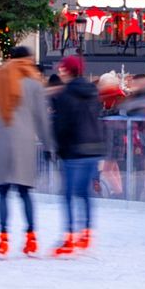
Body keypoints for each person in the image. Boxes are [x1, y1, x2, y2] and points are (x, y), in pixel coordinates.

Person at [0, 49, 51, 258]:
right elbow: (42, 119)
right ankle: (31, 239)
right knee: (25, 191)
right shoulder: (33, 82)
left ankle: (3, 240)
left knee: (2, 192)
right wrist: (49, 145)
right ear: (27, 59)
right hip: (25, 144)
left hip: (2, 143)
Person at [48, 56, 106, 257]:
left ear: (69, 71)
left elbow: (62, 125)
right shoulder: (92, 92)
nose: (60, 72)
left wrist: (57, 147)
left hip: (74, 149)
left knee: (68, 194)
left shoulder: (65, 95)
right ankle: (88, 232)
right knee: (84, 192)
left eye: (63, 69)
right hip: (93, 147)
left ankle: (70, 235)